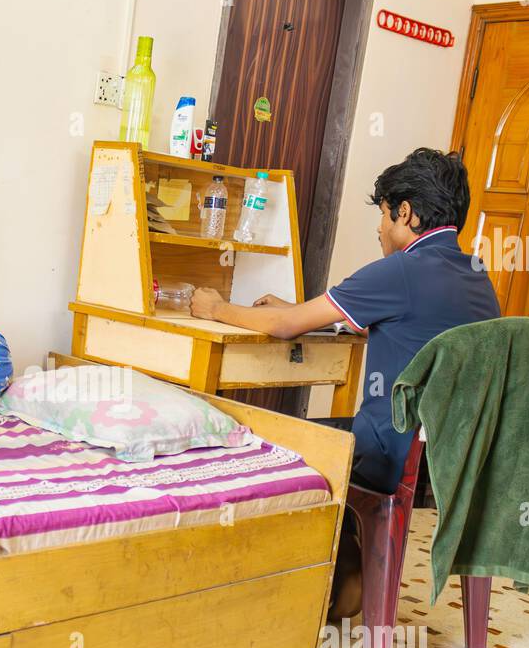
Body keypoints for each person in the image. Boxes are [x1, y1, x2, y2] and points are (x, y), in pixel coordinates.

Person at [189, 148, 501, 618]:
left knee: (262, 438)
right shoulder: (477, 276)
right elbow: (411, 328)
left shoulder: (400, 270)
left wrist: (215, 308)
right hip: (456, 458)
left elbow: (285, 327)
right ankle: (347, 576)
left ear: (405, 213)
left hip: (389, 453)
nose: (379, 230)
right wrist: (299, 310)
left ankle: (286, 590)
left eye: (382, 216)